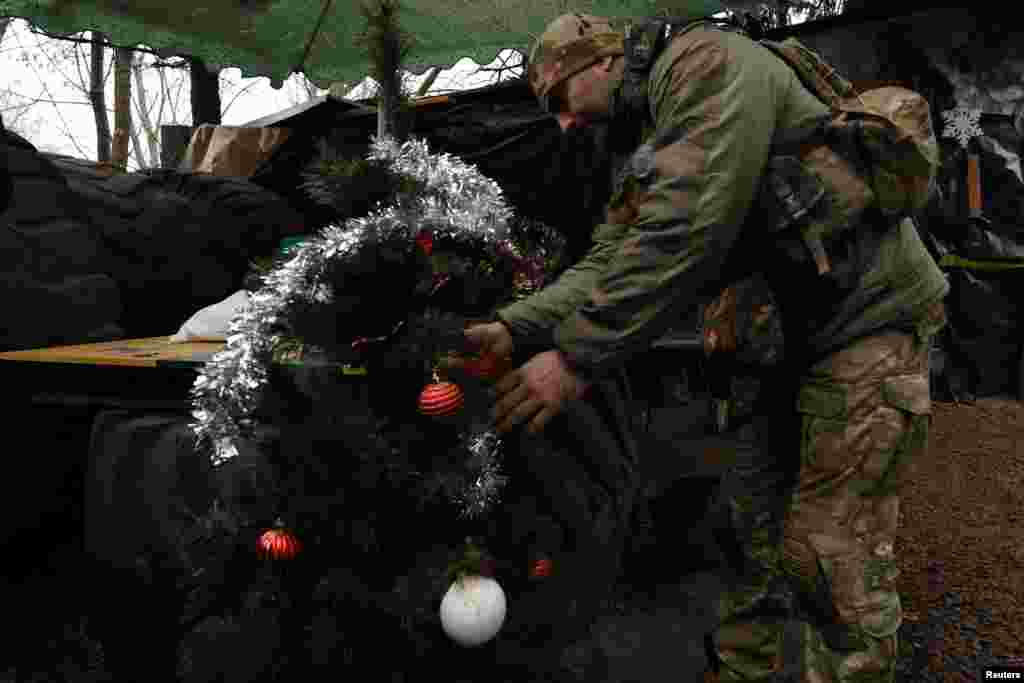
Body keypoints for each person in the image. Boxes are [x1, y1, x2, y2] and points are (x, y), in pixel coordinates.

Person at [460, 9, 949, 683]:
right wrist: (516, 326)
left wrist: (574, 356)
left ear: (598, 64)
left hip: (866, 325)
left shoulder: (708, 66)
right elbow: (610, 259)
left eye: (559, 100)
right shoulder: (649, 140)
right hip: (779, 340)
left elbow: (687, 230)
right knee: (752, 532)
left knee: (832, 550)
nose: (563, 124)